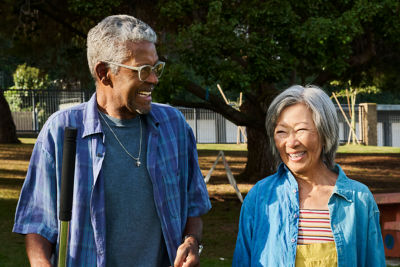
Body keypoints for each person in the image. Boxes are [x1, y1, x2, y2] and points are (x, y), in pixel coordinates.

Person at [13, 15, 211, 267]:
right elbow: (37, 222)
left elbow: (193, 206)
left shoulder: (175, 127)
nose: (154, 79)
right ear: (104, 73)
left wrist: (192, 241)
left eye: (156, 67)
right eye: (143, 70)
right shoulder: (62, 131)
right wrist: (41, 263)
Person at [233, 85, 385, 266]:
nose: (291, 142)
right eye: (281, 132)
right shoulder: (260, 197)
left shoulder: (358, 200)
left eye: (301, 130)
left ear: (325, 132)